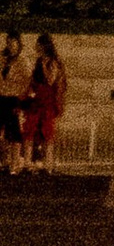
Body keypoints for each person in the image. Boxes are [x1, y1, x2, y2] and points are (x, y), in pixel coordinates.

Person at [26, 35, 66, 171]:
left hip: (48, 100)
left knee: (48, 133)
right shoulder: (38, 61)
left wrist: (44, 65)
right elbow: (33, 79)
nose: (36, 47)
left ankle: (48, 164)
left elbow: (50, 80)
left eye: (38, 45)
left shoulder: (52, 62)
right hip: (38, 99)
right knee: (32, 130)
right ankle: (31, 163)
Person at [0, 31, 25, 174]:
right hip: (1, 96)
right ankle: (4, 161)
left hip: (13, 98)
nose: (10, 45)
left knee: (14, 131)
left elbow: (27, 80)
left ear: (18, 44)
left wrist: (21, 98)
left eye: (13, 42)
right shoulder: (3, 58)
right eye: (8, 42)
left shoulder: (22, 61)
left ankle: (14, 164)